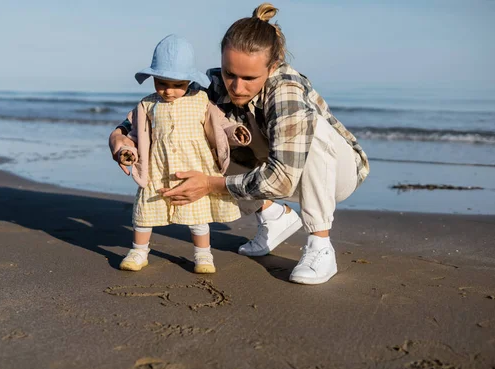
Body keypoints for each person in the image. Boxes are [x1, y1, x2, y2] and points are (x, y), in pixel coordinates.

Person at [109, 4, 370, 285]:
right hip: (276, 169)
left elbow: (282, 179)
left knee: (313, 129)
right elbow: (165, 107)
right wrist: (121, 133)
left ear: (272, 67)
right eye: (229, 73)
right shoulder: (212, 83)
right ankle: (272, 215)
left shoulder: (287, 90)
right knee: (204, 136)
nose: (236, 87)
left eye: (249, 78)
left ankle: (320, 246)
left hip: (335, 175)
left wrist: (209, 184)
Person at [116, 34, 252, 274]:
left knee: (197, 217)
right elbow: (134, 133)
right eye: (162, 83)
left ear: (189, 81)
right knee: (145, 214)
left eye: (178, 85)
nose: (169, 91)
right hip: (157, 169)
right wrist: (126, 150)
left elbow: (221, 124)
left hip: (193, 168)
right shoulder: (147, 104)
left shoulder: (201, 101)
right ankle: (139, 251)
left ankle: (203, 256)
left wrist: (235, 132)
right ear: (153, 78)